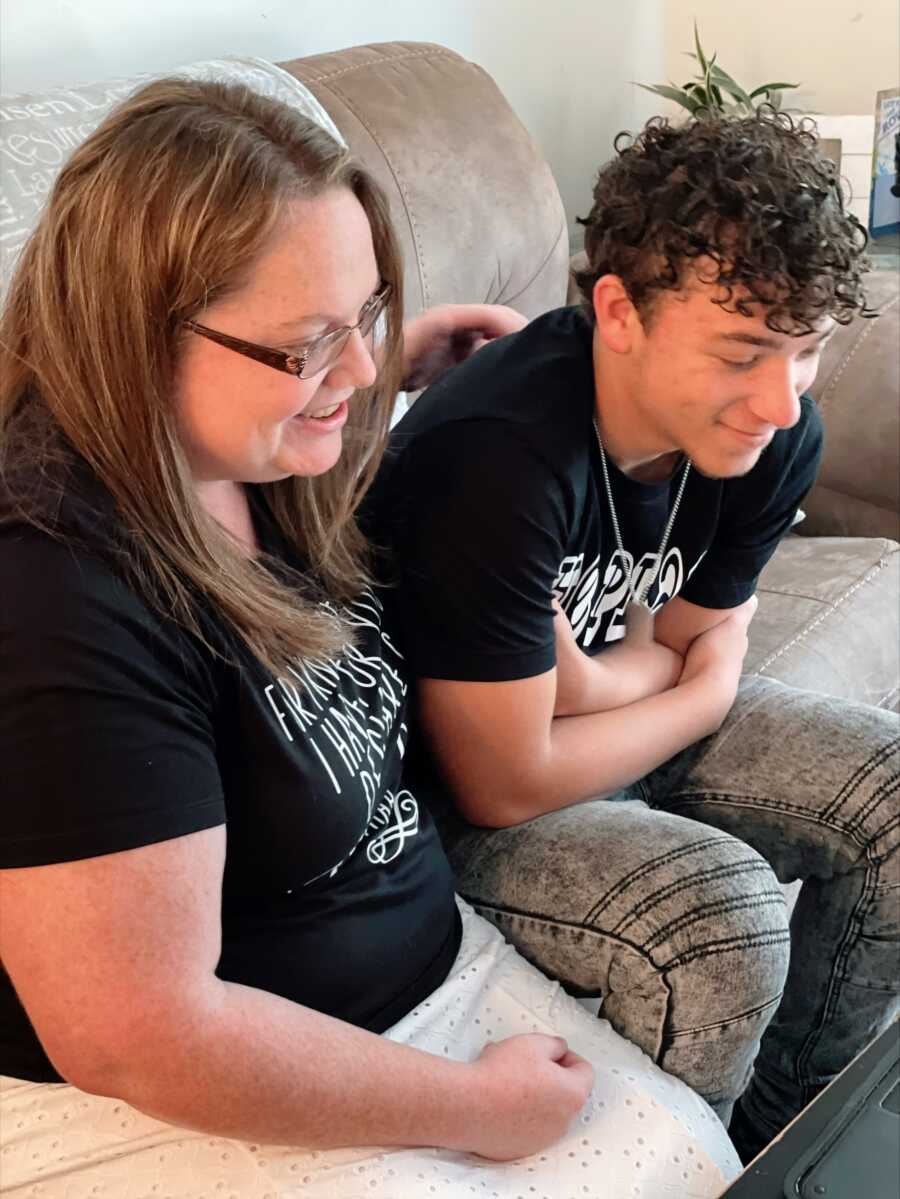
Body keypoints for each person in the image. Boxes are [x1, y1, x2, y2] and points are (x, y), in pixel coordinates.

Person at [0, 77, 743, 1197]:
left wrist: (373, 374)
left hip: (411, 970)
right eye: (307, 343)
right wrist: (476, 1108)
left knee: (702, 1159)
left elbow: (300, 389)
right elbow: (135, 1032)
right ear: (128, 334)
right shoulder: (52, 590)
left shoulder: (250, 457)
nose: (350, 371)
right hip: (187, 1084)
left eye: (368, 312)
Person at [370, 110, 900, 1165]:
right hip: (441, 803)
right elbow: (502, 782)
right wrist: (688, 690)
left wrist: (605, 683)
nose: (778, 400)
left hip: (584, 728)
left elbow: (694, 636)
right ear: (617, 310)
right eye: (743, 350)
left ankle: (774, 1145)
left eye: (805, 351)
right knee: (724, 917)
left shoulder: (772, 434)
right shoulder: (500, 453)